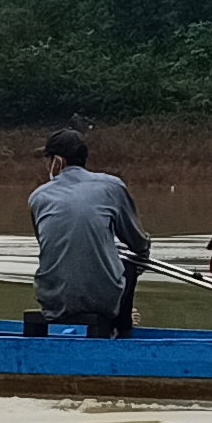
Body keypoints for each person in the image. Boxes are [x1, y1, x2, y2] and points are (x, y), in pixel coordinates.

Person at [27, 129, 147, 336]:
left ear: (57, 161)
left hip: (53, 302)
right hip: (103, 301)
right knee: (130, 262)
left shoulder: (37, 197)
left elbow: (50, 245)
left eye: (47, 159)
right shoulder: (112, 187)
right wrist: (143, 256)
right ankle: (122, 326)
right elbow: (137, 242)